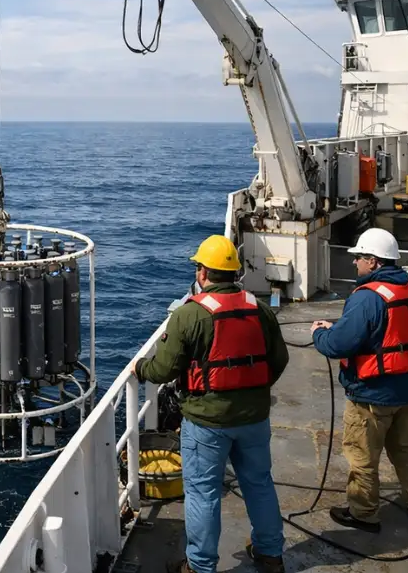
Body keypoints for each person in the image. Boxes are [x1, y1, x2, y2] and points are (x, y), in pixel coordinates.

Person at [131, 234, 289, 573]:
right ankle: (270, 553)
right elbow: (279, 360)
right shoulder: (260, 309)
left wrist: (140, 368)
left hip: (206, 423)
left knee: (203, 494)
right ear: (234, 273)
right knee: (259, 483)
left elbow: (164, 370)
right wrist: (253, 390)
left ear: (203, 273)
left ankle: (200, 566)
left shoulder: (189, 316)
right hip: (254, 418)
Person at [311, 227, 408, 533]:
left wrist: (321, 334)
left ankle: (363, 513)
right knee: (405, 449)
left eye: (360, 257)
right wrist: (341, 328)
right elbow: (391, 333)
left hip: (372, 396)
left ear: (374, 262)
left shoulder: (367, 298)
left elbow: (338, 345)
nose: (355, 262)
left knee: (362, 456)